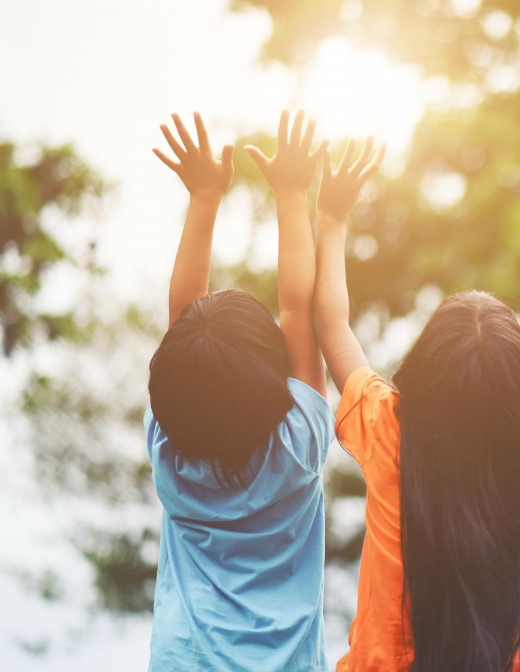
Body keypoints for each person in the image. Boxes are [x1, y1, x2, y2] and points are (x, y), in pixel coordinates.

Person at [314, 133, 520, 669]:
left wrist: (332, 219)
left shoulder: (387, 429)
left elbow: (332, 325)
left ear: (422, 369)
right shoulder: (515, 452)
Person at [146, 111, 333, 671]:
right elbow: (300, 306)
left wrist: (204, 198)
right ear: (275, 375)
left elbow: (185, 319)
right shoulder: (297, 447)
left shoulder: (170, 453)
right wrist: (294, 195)